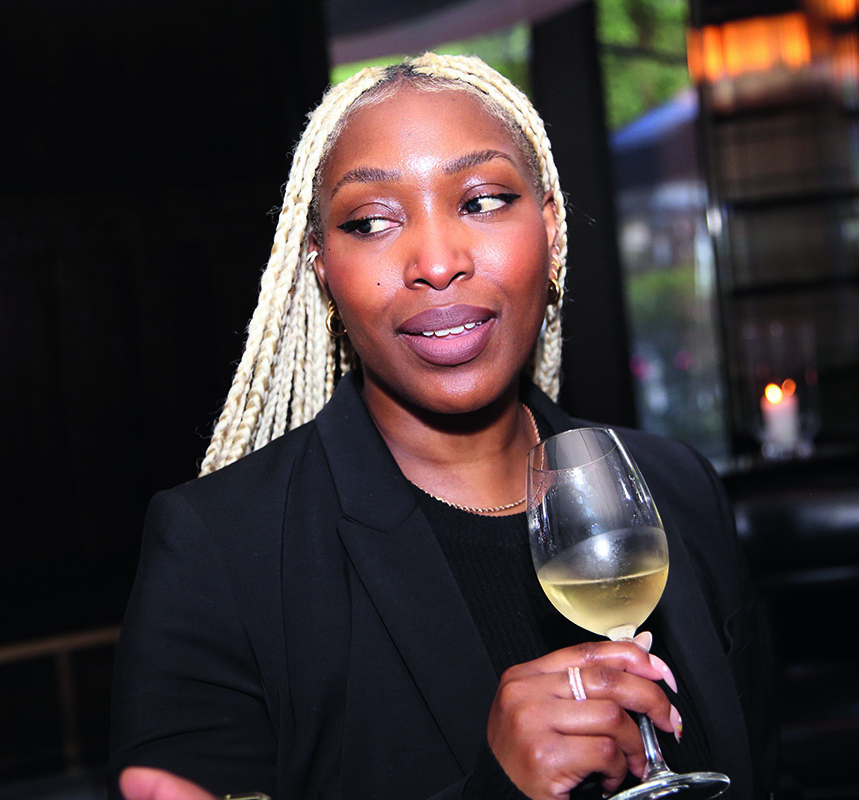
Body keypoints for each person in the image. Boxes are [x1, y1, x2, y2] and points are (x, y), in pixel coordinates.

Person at [110, 52, 782, 800]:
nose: (436, 261)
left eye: (484, 201)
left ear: (552, 230)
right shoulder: (220, 552)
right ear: (323, 268)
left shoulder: (675, 489)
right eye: (370, 221)